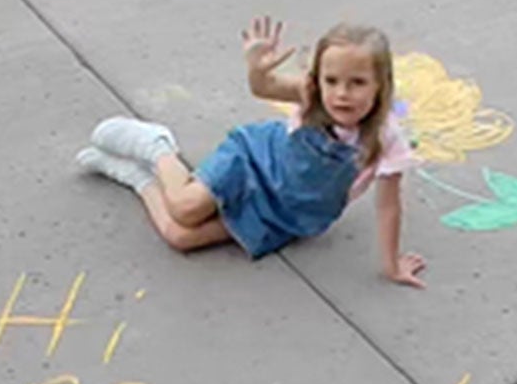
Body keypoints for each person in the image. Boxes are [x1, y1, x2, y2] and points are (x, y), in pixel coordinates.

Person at [78, 17, 427, 287]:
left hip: (290, 213)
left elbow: (388, 205)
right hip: (253, 161)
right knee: (185, 208)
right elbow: (264, 88)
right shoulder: (312, 97)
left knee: (180, 236)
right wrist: (258, 70)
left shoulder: (385, 138)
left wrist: (392, 265)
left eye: (357, 83)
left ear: (381, 84)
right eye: (331, 80)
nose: (341, 94)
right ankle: (157, 149)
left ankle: (136, 178)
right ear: (318, 79)